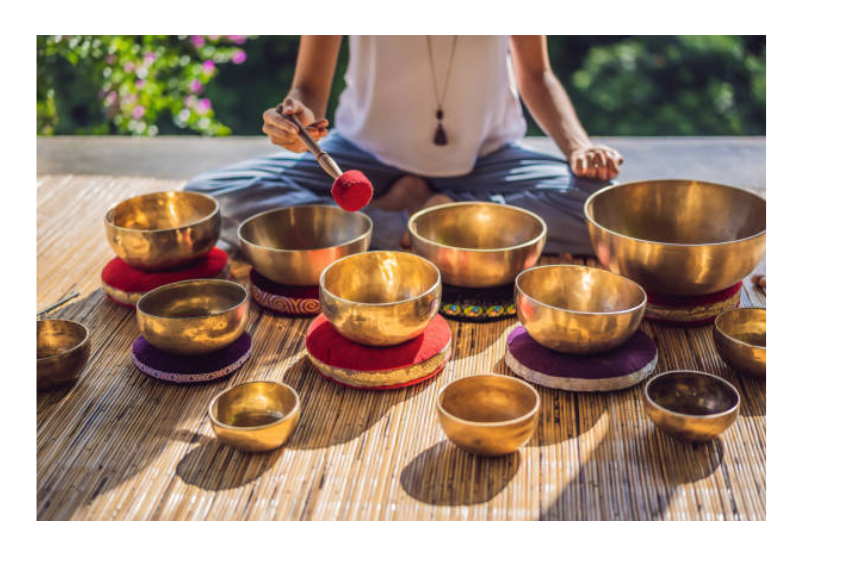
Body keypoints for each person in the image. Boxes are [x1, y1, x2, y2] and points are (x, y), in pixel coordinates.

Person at [185, 35, 623, 254]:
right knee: (205, 199)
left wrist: (577, 146)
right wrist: (297, 121)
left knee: (607, 211)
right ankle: (443, 223)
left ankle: (423, 212)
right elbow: (308, 86)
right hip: (364, 157)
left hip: (487, 160)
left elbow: (535, 75)